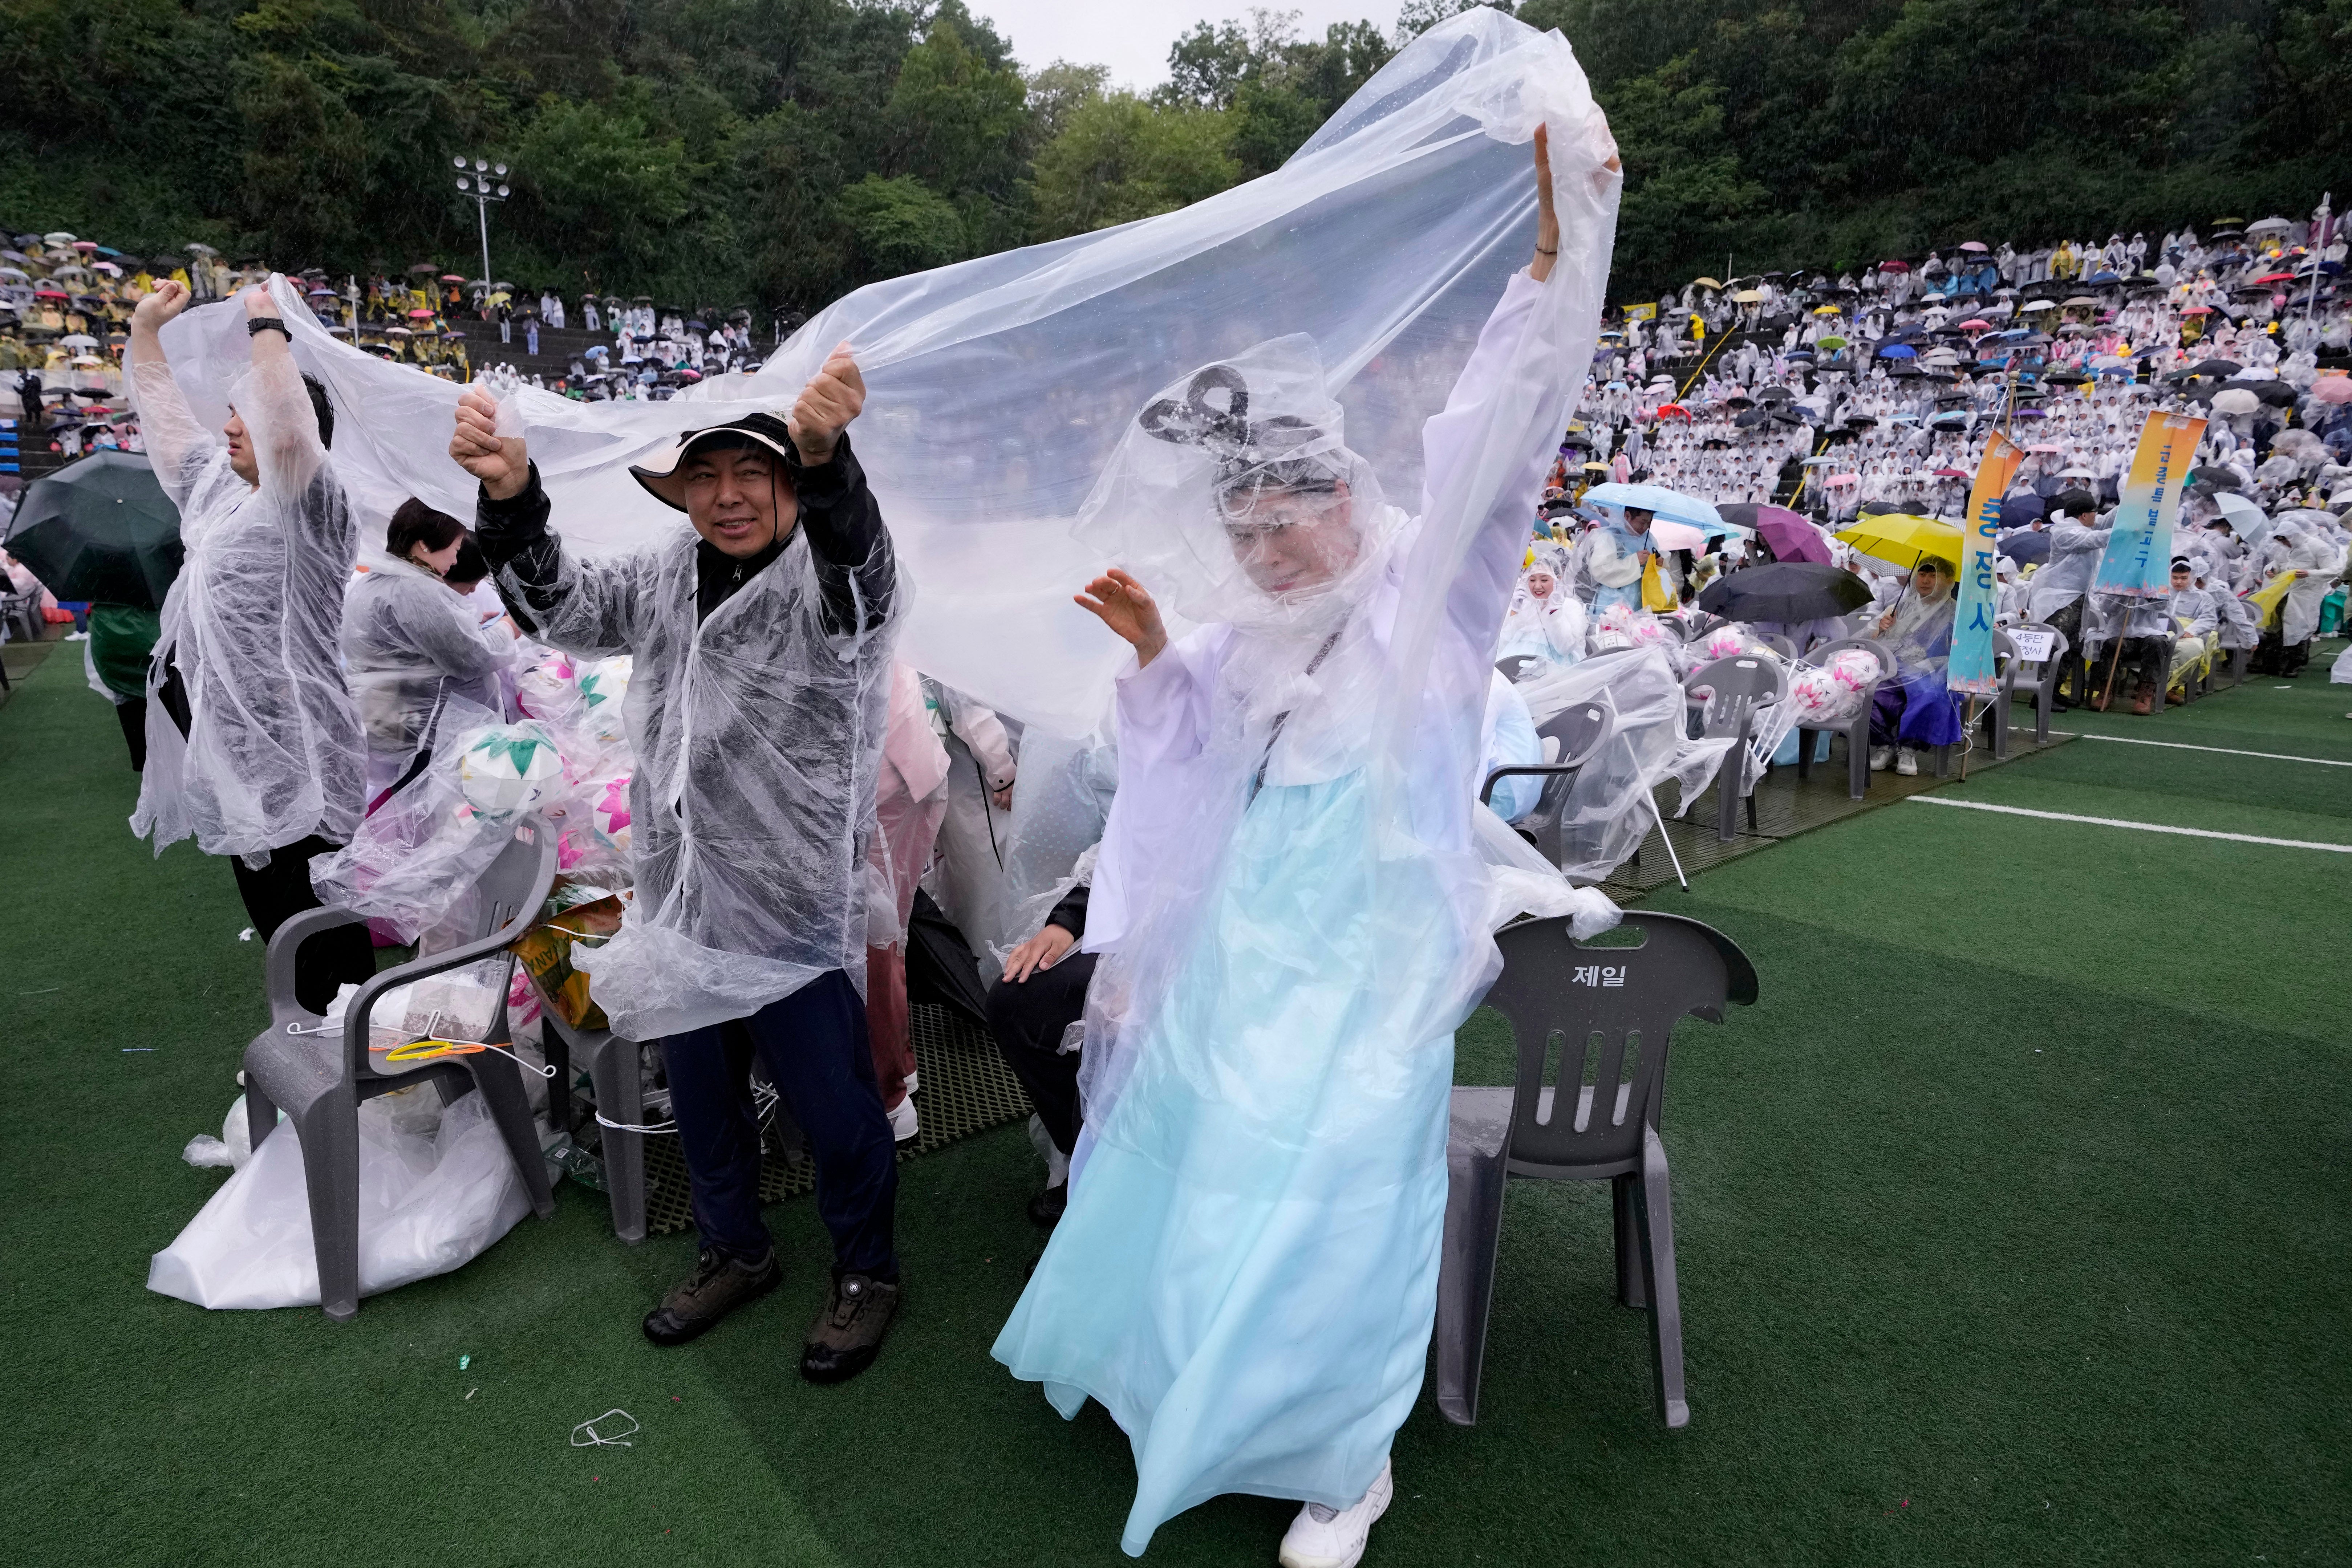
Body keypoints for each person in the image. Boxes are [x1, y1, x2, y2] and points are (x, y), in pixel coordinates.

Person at [994, 123, 1604, 1565]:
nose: (1269, 549)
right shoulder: (1247, 635)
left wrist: (1551, 256)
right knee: (1205, 1167)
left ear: (1349, 496)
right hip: (1253, 946)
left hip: (1375, 954)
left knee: (1341, 1207)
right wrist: (1151, 655)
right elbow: (1181, 763)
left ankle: (1344, 1466)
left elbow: (1494, 442)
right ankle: (1186, 1392)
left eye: (1290, 515)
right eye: (1246, 528)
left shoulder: (1431, 595)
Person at [450, 342, 906, 1382]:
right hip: (681, 898)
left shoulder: (827, 586)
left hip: (789, 903)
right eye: (705, 475)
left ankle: (867, 1270)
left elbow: (863, 573)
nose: (728, 495)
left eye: (754, 472)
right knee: (703, 1104)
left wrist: (833, 461)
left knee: (834, 1113)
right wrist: (516, 499)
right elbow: (558, 609)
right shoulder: (664, 573)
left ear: (792, 482)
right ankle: (734, 1249)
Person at [126, 278, 376, 1015]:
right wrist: (145, 332)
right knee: (281, 930)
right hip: (242, 763)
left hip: (305, 764)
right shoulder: (222, 497)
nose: (231, 427)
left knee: (324, 935)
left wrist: (268, 323)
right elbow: (170, 430)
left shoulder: (312, 507)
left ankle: (364, 1072)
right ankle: (315, 1051)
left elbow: (292, 436)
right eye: (232, 413)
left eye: (248, 414)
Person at [340, 499, 518, 807]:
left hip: (395, 726)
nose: (455, 557)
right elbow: (474, 658)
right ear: (424, 544)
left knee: (412, 815)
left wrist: (468, 630)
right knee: (441, 822)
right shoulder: (416, 590)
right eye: (456, 547)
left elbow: (412, 648)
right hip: (427, 741)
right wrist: (508, 626)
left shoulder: (374, 583)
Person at [1868, 557, 1962, 774]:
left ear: (1949, 581)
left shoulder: (1956, 613)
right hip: (1895, 667)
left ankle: (1908, 747)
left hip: (1932, 671)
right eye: (1922, 574)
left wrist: (1930, 665)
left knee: (1928, 694)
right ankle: (1885, 744)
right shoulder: (1898, 606)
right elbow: (1876, 641)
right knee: (1872, 690)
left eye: (1933, 576)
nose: (1926, 581)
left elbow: (1959, 652)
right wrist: (1882, 628)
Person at [2023, 489, 2108, 708]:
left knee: (2072, 646)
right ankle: (2041, 694)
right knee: (2055, 644)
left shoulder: (2081, 527)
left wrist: (2131, 507)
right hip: (2059, 599)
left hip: (2076, 597)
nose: (2097, 518)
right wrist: (2127, 532)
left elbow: (2106, 522)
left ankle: (2054, 689)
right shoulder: (2065, 531)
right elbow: (2096, 538)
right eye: (2094, 514)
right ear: (2084, 516)